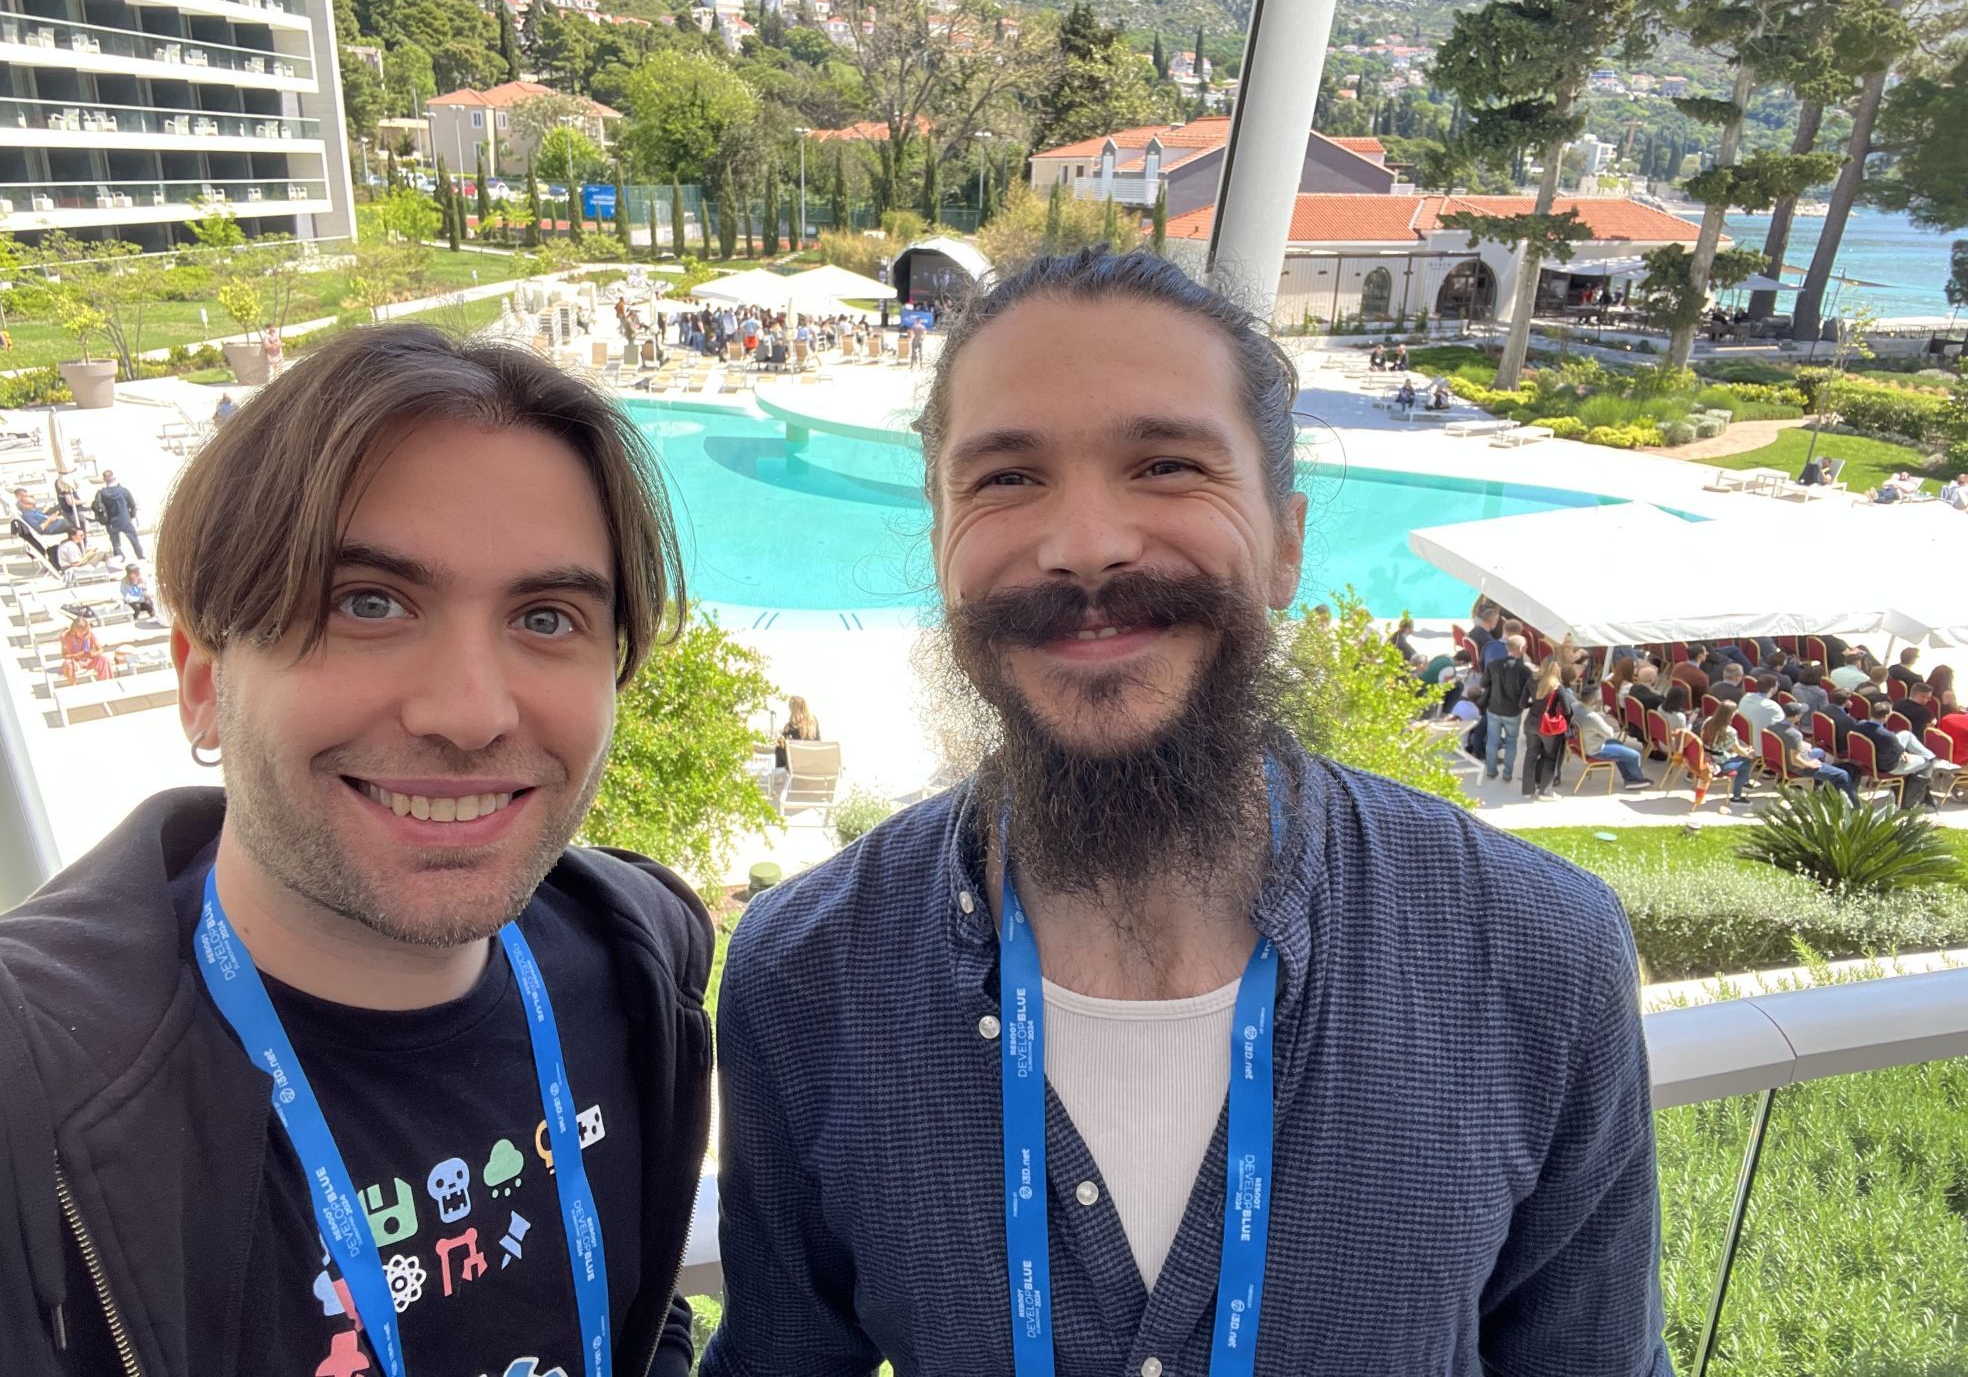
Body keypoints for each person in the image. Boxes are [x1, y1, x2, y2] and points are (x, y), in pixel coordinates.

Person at [703, 249, 1667, 1375]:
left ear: (1286, 541)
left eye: (1165, 464)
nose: (1085, 544)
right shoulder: (805, 977)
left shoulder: (1537, 960)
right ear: (941, 549)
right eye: (1005, 480)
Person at [0, 326, 713, 1375]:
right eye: (367, 604)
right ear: (201, 680)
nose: (468, 713)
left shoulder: (639, 964)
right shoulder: (12, 1099)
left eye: (546, 618)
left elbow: (640, 1310)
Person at [1771, 702, 1859, 806]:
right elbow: (1796, 761)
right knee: (1843, 775)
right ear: (1797, 716)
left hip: (1783, 759)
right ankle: (1855, 806)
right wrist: (1811, 764)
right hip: (1799, 767)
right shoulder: (1794, 735)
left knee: (1821, 752)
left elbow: (1783, 742)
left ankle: (1822, 784)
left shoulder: (1772, 726)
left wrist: (1800, 744)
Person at [1852, 705, 1937, 808]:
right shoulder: (1888, 736)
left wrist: (1901, 751)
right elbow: (1893, 744)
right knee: (1929, 762)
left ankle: (1927, 754)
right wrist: (1901, 751)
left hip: (1871, 761)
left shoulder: (1858, 725)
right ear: (1886, 717)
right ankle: (1912, 803)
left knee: (1906, 734)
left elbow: (1895, 746)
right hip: (1889, 767)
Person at [1575, 683, 1654, 789]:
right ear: (1594, 699)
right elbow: (1609, 733)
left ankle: (1629, 777)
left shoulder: (1575, 707)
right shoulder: (1592, 717)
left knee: (1619, 746)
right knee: (1634, 755)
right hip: (1596, 749)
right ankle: (1636, 779)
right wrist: (1607, 723)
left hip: (1585, 743)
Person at [1481, 633, 1534, 783]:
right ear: (1521, 649)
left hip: (1494, 708)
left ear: (1507, 647)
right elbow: (1528, 692)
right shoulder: (1524, 670)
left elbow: (1483, 684)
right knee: (1511, 741)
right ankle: (1507, 774)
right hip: (1512, 711)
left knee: (1492, 740)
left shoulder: (1493, 664)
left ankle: (1491, 771)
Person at [1520, 658, 1575, 801]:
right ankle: (1545, 792)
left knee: (1530, 755)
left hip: (1531, 722)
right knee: (1550, 758)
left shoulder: (1531, 681)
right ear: (1557, 670)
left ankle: (1527, 791)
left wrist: (1534, 705)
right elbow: (1567, 710)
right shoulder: (1557, 687)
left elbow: (1522, 703)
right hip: (1548, 727)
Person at [1698, 709, 1755, 811]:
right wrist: (1748, 753)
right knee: (1745, 761)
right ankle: (1737, 797)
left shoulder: (1708, 721)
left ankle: (1744, 782)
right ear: (1730, 715)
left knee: (1741, 758)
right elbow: (1739, 751)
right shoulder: (1730, 731)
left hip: (1704, 757)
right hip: (1719, 764)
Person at [92, 468, 144, 560]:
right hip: (125, 519)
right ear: (114, 478)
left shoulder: (102, 493)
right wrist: (130, 516)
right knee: (134, 540)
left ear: (104, 480)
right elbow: (132, 505)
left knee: (115, 544)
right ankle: (140, 557)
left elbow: (96, 506)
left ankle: (120, 559)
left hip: (111, 522)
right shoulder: (123, 491)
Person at [57, 604, 113, 686]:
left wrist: (94, 653)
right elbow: (65, 655)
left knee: (104, 659)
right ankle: (73, 688)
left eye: (84, 632)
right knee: (68, 664)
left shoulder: (88, 635)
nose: (82, 634)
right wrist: (77, 655)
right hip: (75, 662)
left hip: (88, 660)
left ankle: (106, 685)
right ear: (74, 630)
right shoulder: (66, 637)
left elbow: (100, 650)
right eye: (80, 632)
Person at [774, 693, 821, 771]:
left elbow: (782, 754)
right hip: (814, 767)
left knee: (779, 745)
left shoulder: (789, 728)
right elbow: (819, 743)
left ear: (791, 709)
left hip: (796, 769)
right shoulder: (813, 722)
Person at [1737, 673, 1784, 742]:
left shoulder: (1745, 697)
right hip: (1761, 746)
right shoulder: (1773, 707)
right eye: (1777, 686)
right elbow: (1783, 727)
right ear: (1772, 689)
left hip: (1742, 740)